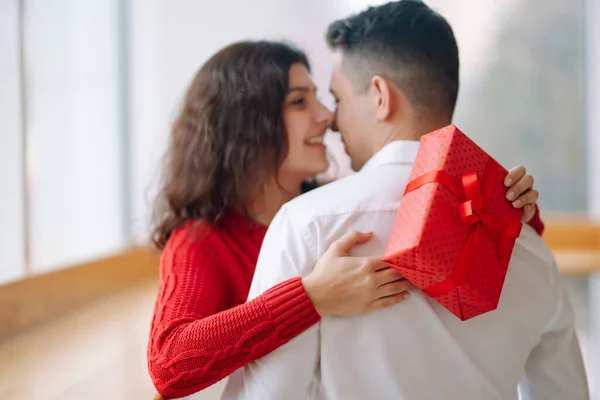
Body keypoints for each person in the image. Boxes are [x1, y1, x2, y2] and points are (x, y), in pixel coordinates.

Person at [222, 2, 589, 400]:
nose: (332, 121)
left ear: (381, 96)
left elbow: (268, 397)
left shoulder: (307, 224)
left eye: (339, 100)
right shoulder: (526, 245)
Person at [148, 40, 542, 399]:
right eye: (300, 102)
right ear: (247, 123)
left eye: (320, 98)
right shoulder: (202, 241)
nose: (326, 117)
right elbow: (168, 364)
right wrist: (311, 297)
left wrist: (513, 204)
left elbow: (492, 248)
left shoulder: (332, 212)